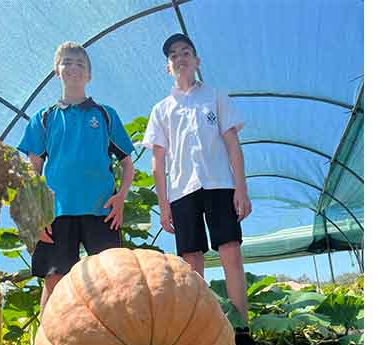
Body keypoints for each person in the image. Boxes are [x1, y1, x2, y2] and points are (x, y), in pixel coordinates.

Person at [17, 42, 135, 317]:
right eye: (67, 62)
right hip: (57, 213)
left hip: (102, 211)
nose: (73, 68)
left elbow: (127, 163)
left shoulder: (105, 115)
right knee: (55, 279)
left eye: (80, 64)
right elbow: (32, 169)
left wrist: (121, 198)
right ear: (56, 72)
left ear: (89, 75)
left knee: (109, 280)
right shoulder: (44, 118)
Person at [141, 33, 252, 324]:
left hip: (219, 185)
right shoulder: (161, 110)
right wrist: (163, 205)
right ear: (168, 66)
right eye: (173, 55)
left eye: (185, 52)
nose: (180, 57)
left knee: (230, 252)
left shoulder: (215, 96)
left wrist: (241, 188)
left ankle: (242, 329)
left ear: (196, 61)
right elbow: (157, 162)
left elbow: (233, 146)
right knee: (191, 261)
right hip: (181, 191)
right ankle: (202, 329)